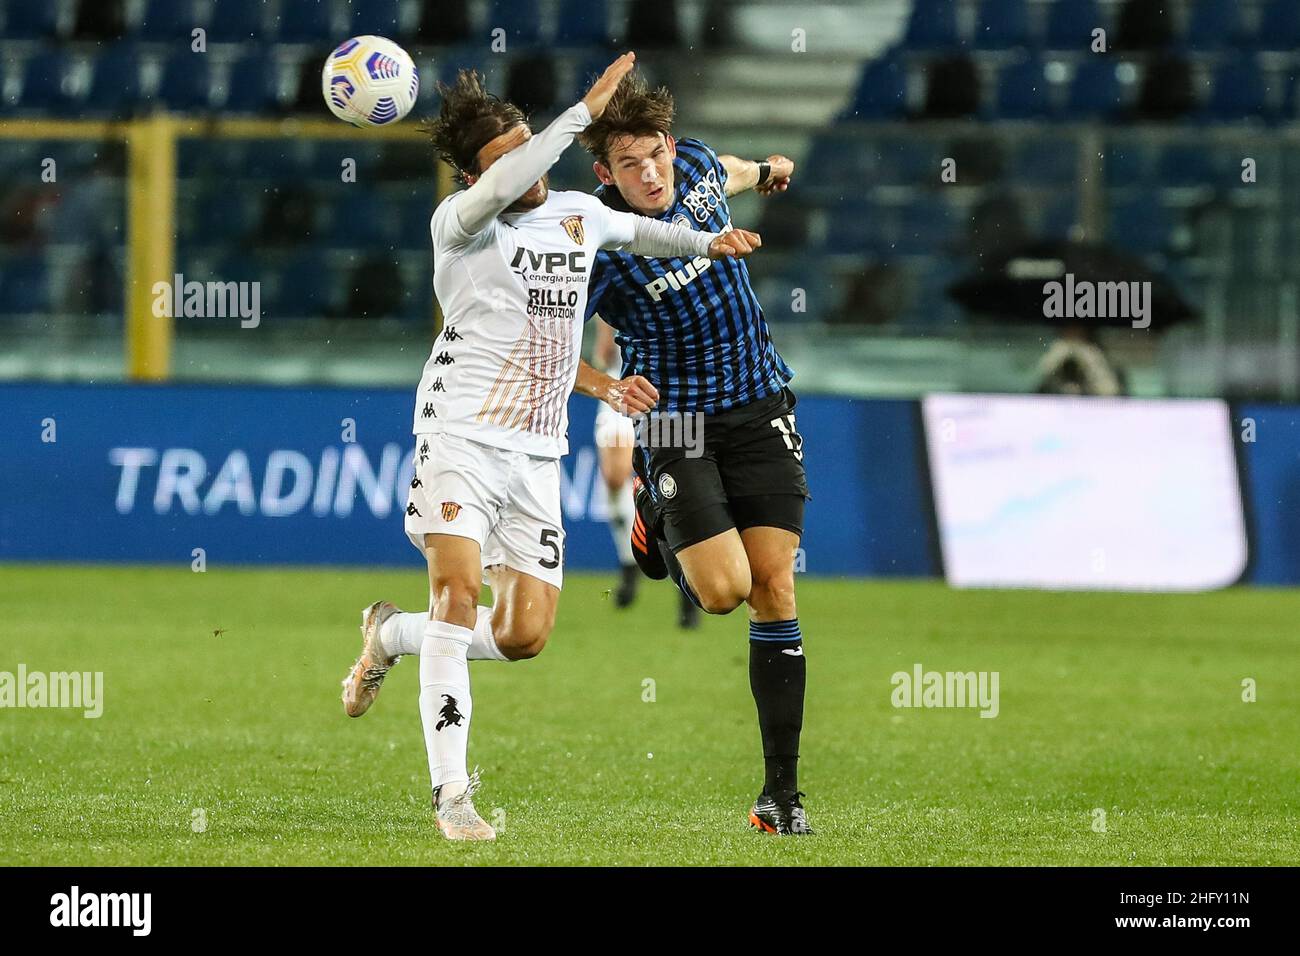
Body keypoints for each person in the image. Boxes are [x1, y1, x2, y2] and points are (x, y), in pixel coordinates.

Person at [337, 53, 762, 842]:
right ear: (474, 178)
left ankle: (389, 635)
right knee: (457, 599)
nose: (528, 165)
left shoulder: (575, 213)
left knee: (522, 635)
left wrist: (709, 246)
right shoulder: (459, 225)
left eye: (530, 144)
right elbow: (508, 183)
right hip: (459, 430)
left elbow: (642, 233)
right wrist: (577, 114)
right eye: (507, 157)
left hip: (536, 451)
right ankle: (452, 797)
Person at [573, 70, 813, 835]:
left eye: (656, 157)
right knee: (719, 593)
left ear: (672, 148)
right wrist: (605, 388)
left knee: (773, 589)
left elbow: (736, 172)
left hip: (760, 403)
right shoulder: (597, 242)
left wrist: (771, 170)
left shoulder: (702, 170)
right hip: (675, 423)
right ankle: (652, 504)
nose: (649, 176)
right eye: (629, 166)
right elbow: (535, 339)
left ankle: (781, 795)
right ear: (603, 175)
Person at [591, 315, 700, 626]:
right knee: (614, 478)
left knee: (676, 485)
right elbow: (604, 344)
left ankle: (687, 583)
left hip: (668, 384)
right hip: (621, 384)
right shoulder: (614, 272)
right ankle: (629, 565)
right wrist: (606, 334)